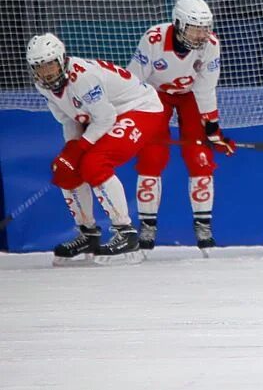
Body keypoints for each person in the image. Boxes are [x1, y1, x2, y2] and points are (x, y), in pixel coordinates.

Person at [27, 33, 165, 265]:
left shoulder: (83, 77)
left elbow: (104, 118)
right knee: (67, 170)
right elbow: (70, 119)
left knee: (94, 163)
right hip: (106, 115)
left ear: (62, 59)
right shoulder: (44, 86)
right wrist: (70, 151)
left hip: (140, 108)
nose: (46, 72)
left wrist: (78, 149)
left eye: (50, 63)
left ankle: (126, 233)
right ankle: (88, 233)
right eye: (39, 67)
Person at [128, 0, 232, 253]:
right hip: (154, 95)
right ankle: (147, 226)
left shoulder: (211, 45)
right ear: (177, 24)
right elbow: (134, 81)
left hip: (191, 95)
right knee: (152, 156)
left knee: (200, 157)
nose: (201, 35)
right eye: (195, 29)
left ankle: (203, 226)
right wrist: (127, 113)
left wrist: (212, 129)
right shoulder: (153, 39)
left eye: (205, 29)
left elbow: (206, 88)